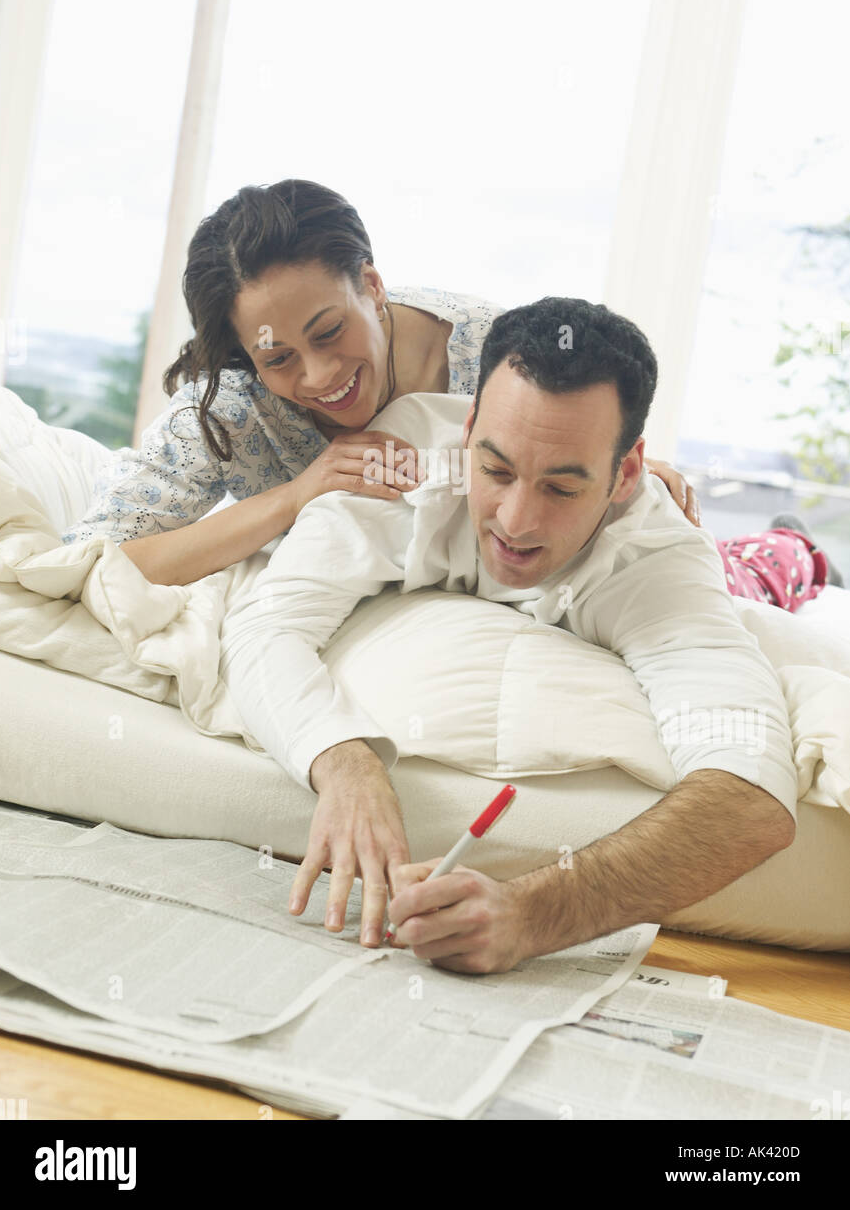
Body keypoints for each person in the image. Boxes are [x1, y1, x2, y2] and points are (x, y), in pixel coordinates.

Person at [219, 297, 839, 974]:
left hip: (731, 571)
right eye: (496, 471)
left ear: (625, 472)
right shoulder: (398, 463)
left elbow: (750, 797)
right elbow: (262, 626)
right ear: (467, 428)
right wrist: (345, 763)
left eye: (562, 488)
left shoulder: (658, 561)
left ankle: (793, 545)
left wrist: (533, 915)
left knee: (760, 574)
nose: (515, 521)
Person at [60, 179, 701, 576]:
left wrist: (621, 471)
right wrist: (296, 496)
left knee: (749, 567)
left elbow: (573, 449)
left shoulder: (498, 355)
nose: (319, 376)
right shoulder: (235, 405)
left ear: (371, 286)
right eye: (278, 357)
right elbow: (97, 560)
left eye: (329, 330)